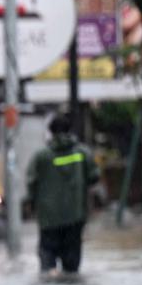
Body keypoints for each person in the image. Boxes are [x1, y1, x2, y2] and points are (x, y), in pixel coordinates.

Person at [27, 114, 100, 275]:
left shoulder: (42, 156)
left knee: (48, 259)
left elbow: (31, 183)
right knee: (72, 264)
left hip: (48, 218)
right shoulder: (82, 153)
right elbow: (94, 176)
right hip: (75, 215)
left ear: (51, 132)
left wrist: (32, 205)